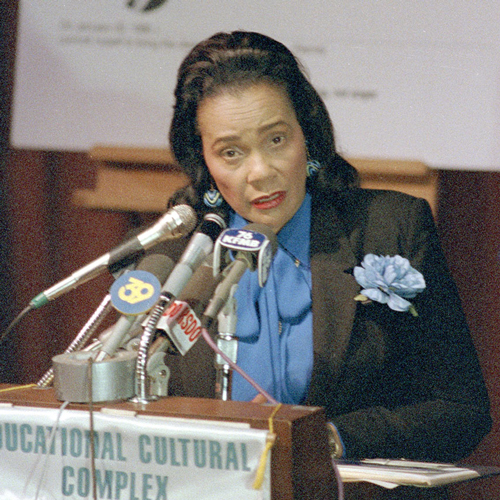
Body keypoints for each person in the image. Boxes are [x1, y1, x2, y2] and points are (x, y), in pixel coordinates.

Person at [162, 30, 491, 471]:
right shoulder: (174, 258)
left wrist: (331, 438)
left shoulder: (388, 229)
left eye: (276, 140)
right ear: (203, 160)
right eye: (232, 152)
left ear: (308, 137)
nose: (260, 172)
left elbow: (460, 411)